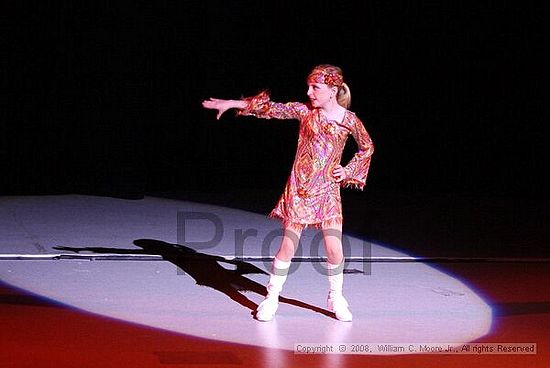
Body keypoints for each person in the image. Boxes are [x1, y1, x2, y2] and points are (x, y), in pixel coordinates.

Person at [202, 64, 374, 321]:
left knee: (335, 249)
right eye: (309, 86)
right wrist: (231, 103)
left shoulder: (349, 120)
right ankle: (271, 297)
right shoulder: (305, 112)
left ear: (333, 90)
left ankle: (335, 296)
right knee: (287, 247)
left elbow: (367, 147)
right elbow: (272, 109)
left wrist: (347, 171)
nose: (309, 91)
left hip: (327, 192)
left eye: (316, 87)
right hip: (300, 190)